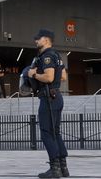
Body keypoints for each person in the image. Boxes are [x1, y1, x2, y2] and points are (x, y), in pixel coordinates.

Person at [26, 29, 68, 178]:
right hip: (56, 96)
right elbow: (63, 76)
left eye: (38, 39)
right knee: (55, 132)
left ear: (46, 40)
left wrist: (34, 74)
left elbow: (49, 78)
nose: (36, 41)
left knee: (46, 133)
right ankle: (63, 168)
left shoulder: (47, 56)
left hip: (48, 98)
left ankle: (55, 169)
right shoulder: (57, 55)